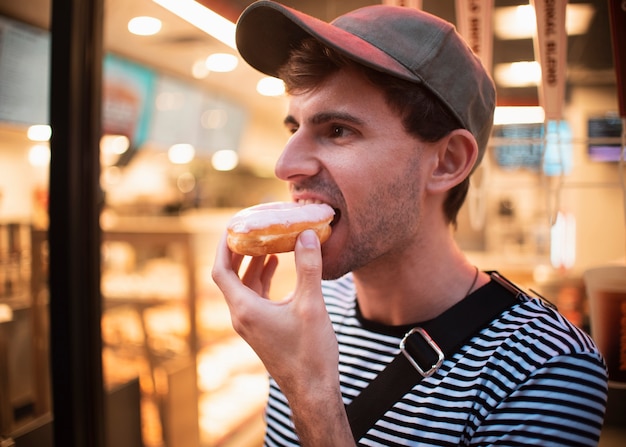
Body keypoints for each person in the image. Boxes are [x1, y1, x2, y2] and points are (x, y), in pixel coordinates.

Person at [212, 1, 609, 445]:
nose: (285, 165)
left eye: (338, 130)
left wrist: (309, 391)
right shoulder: (308, 312)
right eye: (294, 129)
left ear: (446, 162)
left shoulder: (545, 367)